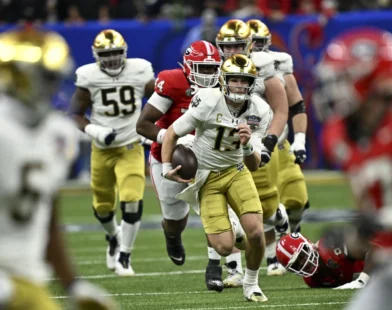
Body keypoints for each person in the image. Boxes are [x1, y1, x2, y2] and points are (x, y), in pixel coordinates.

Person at [0, 27, 115, 310]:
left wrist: (73, 284)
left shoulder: (58, 133)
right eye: (45, 77)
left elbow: (47, 213)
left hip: (26, 278)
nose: (52, 86)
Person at [162, 54, 272, 302]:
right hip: (206, 176)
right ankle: (236, 232)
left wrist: (245, 146)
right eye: (234, 80)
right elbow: (171, 133)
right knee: (224, 247)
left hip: (236, 171)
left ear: (252, 83)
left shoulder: (260, 111)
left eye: (245, 81)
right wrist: (165, 167)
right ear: (224, 80)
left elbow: (254, 165)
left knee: (256, 233)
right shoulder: (208, 100)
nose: (239, 86)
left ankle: (251, 284)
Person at [207, 19, 289, 286]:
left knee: (263, 209)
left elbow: (281, 108)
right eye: (227, 47)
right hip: (222, 146)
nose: (233, 52)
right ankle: (233, 267)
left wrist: (267, 143)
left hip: (256, 139)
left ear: (250, 44)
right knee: (221, 206)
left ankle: (278, 216)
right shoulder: (212, 66)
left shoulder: (263, 65)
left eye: (239, 46)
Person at [312, 26, 392, 295]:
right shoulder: (346, 138)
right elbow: (372, 229)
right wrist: (349, 240)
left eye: (343, 80)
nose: (336, 91)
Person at [69, 29, 155, 276]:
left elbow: (160, 100)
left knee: (131, 199)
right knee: (103, 207)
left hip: (130, 146)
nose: (113, 58)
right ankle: (114, 237)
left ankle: (125, 255)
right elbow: (75, 114)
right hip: (101, 150)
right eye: (107, 54)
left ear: (124, 52)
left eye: (117, 52)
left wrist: (152, 127)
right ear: (97, 55)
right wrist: (94, 130)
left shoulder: (138, 71)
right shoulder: (88, 76)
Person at [136, 40, 222, 267]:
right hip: (170, 156)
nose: (208, 74)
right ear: (188, 66)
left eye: (212, 68)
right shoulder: (173, 82)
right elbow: (143, 125)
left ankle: (216, 266)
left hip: (208, 156)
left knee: (215, 212)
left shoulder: (225, 84)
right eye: (202, 68)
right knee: (174, 219)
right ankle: (172, 238)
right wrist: (172, 138)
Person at [276, 232, 369, 288]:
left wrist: (362, 281)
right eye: (296, 264)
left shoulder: (333, 245)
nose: (303, 263)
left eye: (302, 256)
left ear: (309, 246)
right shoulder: (311, 281)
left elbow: (373, 250)